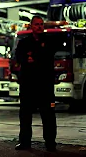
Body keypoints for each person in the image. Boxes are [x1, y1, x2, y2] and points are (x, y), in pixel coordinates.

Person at [14, 16, 57, 152]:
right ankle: (25, 142)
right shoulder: (24, 42)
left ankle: (50, 142)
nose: (39, 26)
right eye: (36, 24)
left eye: (41, 24)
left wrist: (33, 56)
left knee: (48, 115)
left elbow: (47, 57)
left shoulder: (49, 41)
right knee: (25, 115)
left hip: (45, 85)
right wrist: (31, 58)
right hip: (28, 84)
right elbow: (20, 57)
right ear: (31, 26)